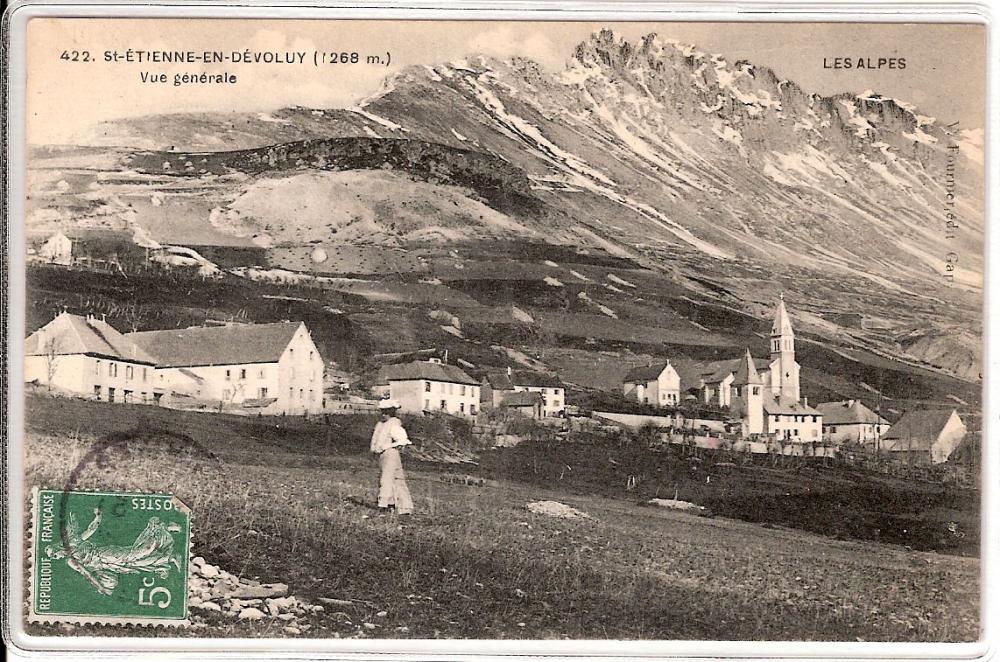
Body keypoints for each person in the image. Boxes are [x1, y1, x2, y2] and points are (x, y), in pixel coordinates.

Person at [370, 399, 414, 515]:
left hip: (390, 453)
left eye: (387, 412)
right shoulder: (381, 424)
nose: (384, 414)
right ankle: (394, 504)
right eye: (382, 412)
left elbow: (403, 440)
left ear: (392, 412)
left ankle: (384, 504)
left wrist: (388, 446)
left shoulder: (394, 424)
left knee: (387, 478)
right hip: (383, 455)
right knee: (394, 478)